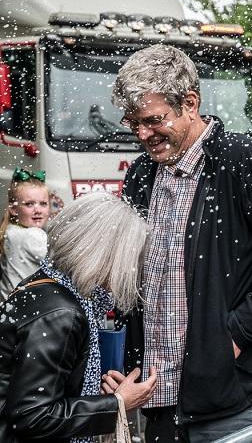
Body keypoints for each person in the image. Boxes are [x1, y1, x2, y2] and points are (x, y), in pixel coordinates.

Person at [112, 44, 252, 442]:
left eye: (153, 120)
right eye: (133, 123)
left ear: (190, 103)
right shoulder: (143, 173)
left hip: (236, 402)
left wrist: (235, 335)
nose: (143, 135)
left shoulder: (243, 159)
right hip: (162, 401)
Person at [0, 192, 158, 443]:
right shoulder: (63, 313)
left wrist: (99, 395)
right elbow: (33, 416)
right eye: (128, 258)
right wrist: (116, 403)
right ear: (104, 255)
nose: (130, 268)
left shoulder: (50, 286)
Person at [0, 168, 49, 299]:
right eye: (29, 204)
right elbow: (62, 265)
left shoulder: (9, 230)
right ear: (14, 209)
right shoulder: (33, 236)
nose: (37, 210)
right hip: (30, 310)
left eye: (43, 204)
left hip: (10, 306)